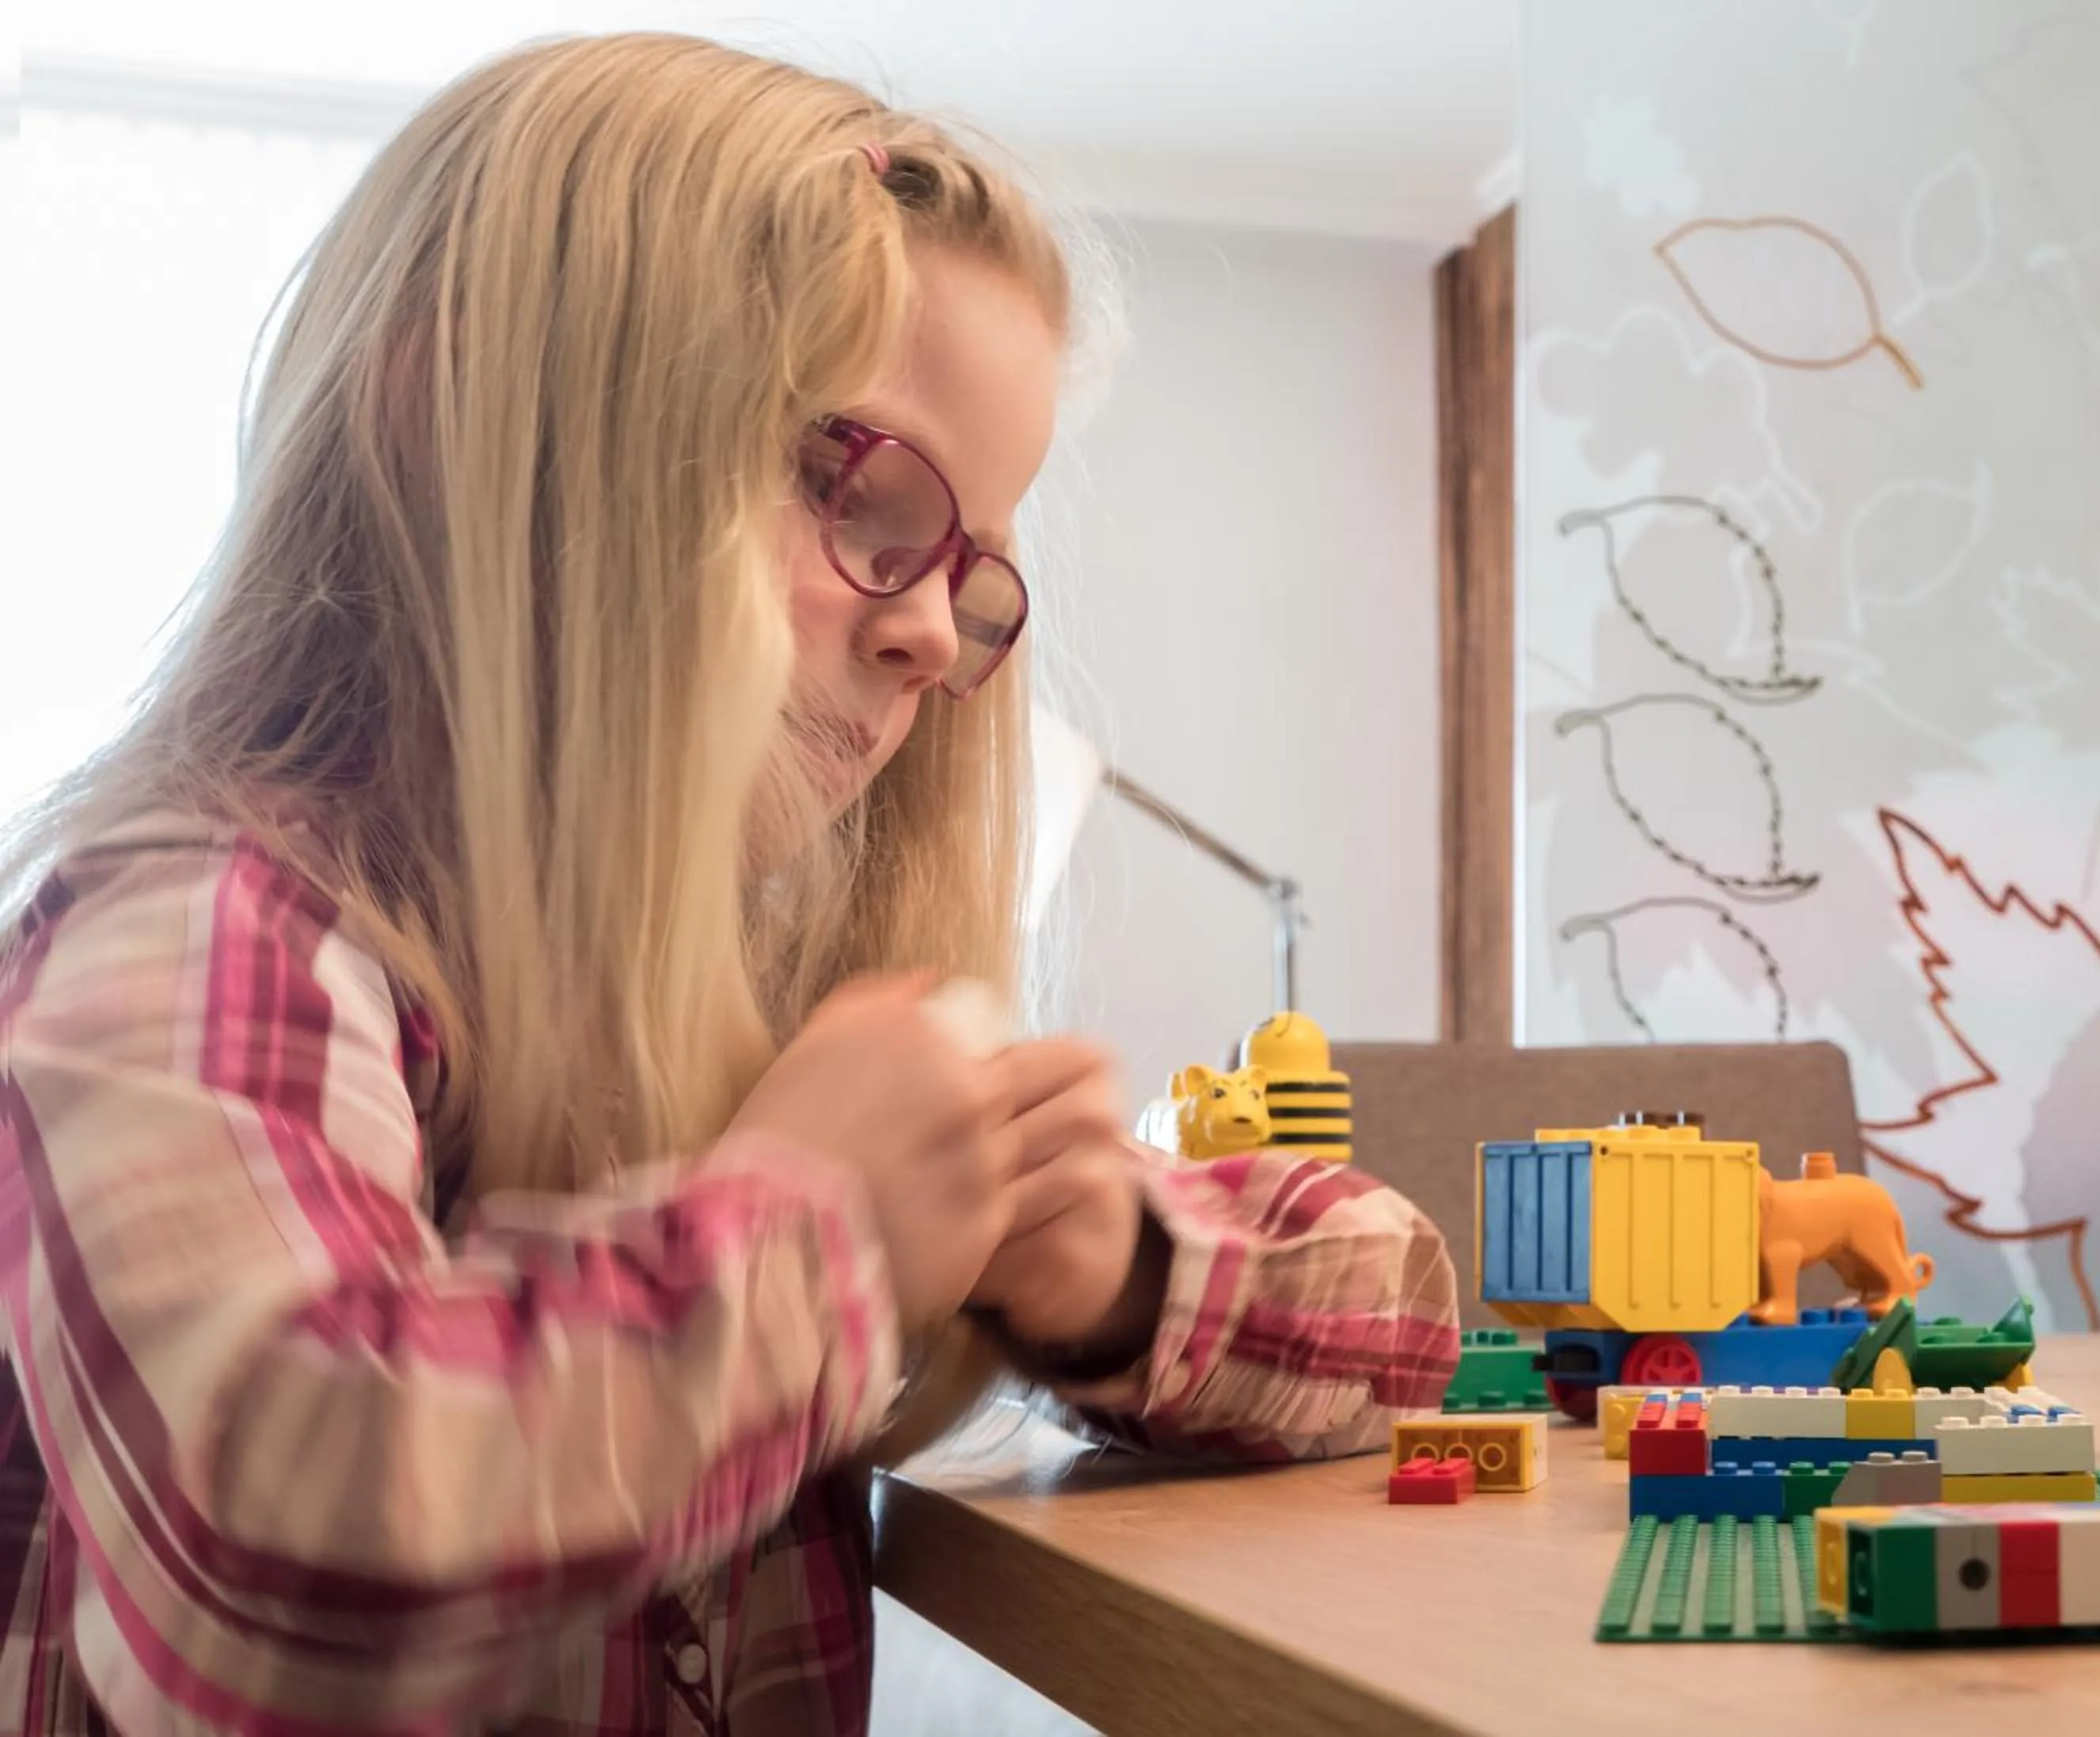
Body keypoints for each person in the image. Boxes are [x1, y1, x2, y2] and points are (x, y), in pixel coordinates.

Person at [0, 32, 1459, 1736]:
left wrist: (1112, 1262)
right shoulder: (197, 929)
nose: (932, 634)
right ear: (464, 418)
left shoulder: (738, 1015)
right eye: (864, 494)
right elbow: (291, 1557)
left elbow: (1392, 1300)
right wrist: (812, 1228)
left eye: (978, 572)